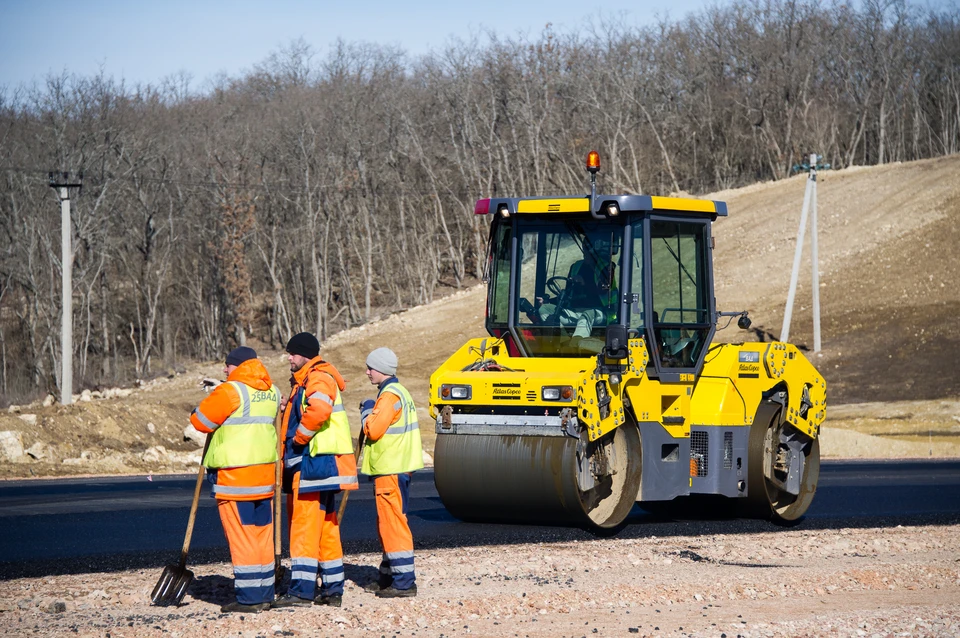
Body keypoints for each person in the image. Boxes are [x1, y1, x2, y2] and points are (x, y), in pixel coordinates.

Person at [189, 346, 279, 614]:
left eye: (227, 366)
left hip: (235, 478)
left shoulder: (230, 392)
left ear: (236, 366)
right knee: (262, 536)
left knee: (242, 538)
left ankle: (249, 599)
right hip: (263, 477)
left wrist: (209, 398)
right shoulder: (271, 391)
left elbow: (200, 421)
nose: (224, 370)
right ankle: (264, 593)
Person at [272, 332, 358, 608]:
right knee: (326, 530)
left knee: (304, 530)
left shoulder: (318, 378)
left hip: (314, 466)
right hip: (324, 468)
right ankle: (333, 589)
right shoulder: (309, 380)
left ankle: (301, 591)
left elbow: (319, 410)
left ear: (304, 354)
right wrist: (289, 409)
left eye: (292, 353)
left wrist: (299, 436)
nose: (288, 358)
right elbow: (311, 408)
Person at [359, 347, 424, 598]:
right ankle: (388, 576)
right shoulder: (401, 392)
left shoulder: (388, 397)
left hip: (391, 470)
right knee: (389, 524)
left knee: (393, 525)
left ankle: (403, 582)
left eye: (370, 368)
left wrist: (367, 409)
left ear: (382, 370)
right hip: (400, 469)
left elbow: (373, 430)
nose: (367, 372)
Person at [537, 239, 619, 337]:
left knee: (586, 316)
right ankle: (563, 341)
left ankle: (576, 345)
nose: (585, 252)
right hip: (575, 312)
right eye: (585, 248)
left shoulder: (606, 267)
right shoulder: (576, 267)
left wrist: (585, 283)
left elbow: (603, 290)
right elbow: (568, 294)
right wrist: (549, 301)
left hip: (602, 312)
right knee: (545, 309)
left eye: (588, 249)